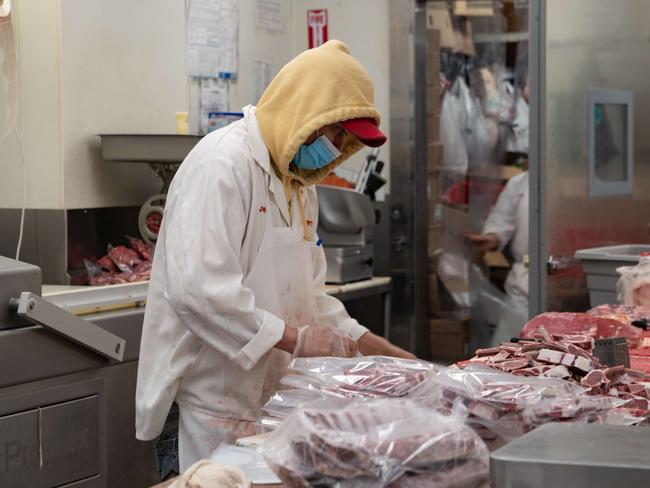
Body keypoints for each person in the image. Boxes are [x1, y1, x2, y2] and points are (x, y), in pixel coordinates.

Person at [135, 40, 414, 472]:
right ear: (306, 111)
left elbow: (313, 301)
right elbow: (199, 292)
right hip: (204, 407)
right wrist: (296, 340)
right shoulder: (222, 163)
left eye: (346, 141)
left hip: (268, 407)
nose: (338, 148)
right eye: (336, 132)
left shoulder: (300, 188)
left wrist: (386, 354)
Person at [465, 171, 529, 345]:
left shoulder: (577, 178)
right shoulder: (520, 183)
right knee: (506, 354)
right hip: (523, 284)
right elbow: (502, 219)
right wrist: (493, 236)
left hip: (565, 281)